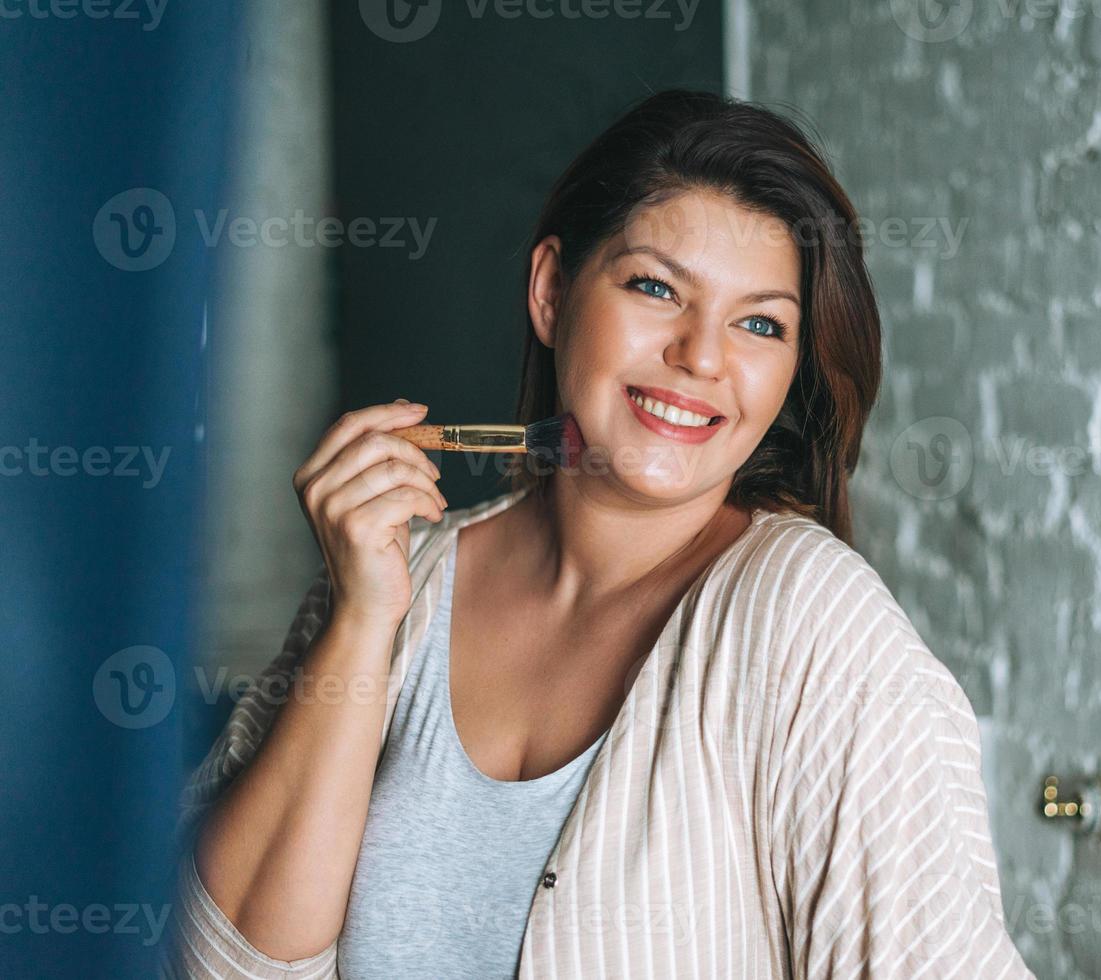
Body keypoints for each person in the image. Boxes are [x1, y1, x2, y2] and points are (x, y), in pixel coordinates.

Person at [164, 88, 1035, 979]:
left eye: (760, 323)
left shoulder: (816, 626)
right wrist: (359, 618)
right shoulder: (404, 576)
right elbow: (222, 963)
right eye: (657, 287)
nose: (702, 355)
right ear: (551, 292)